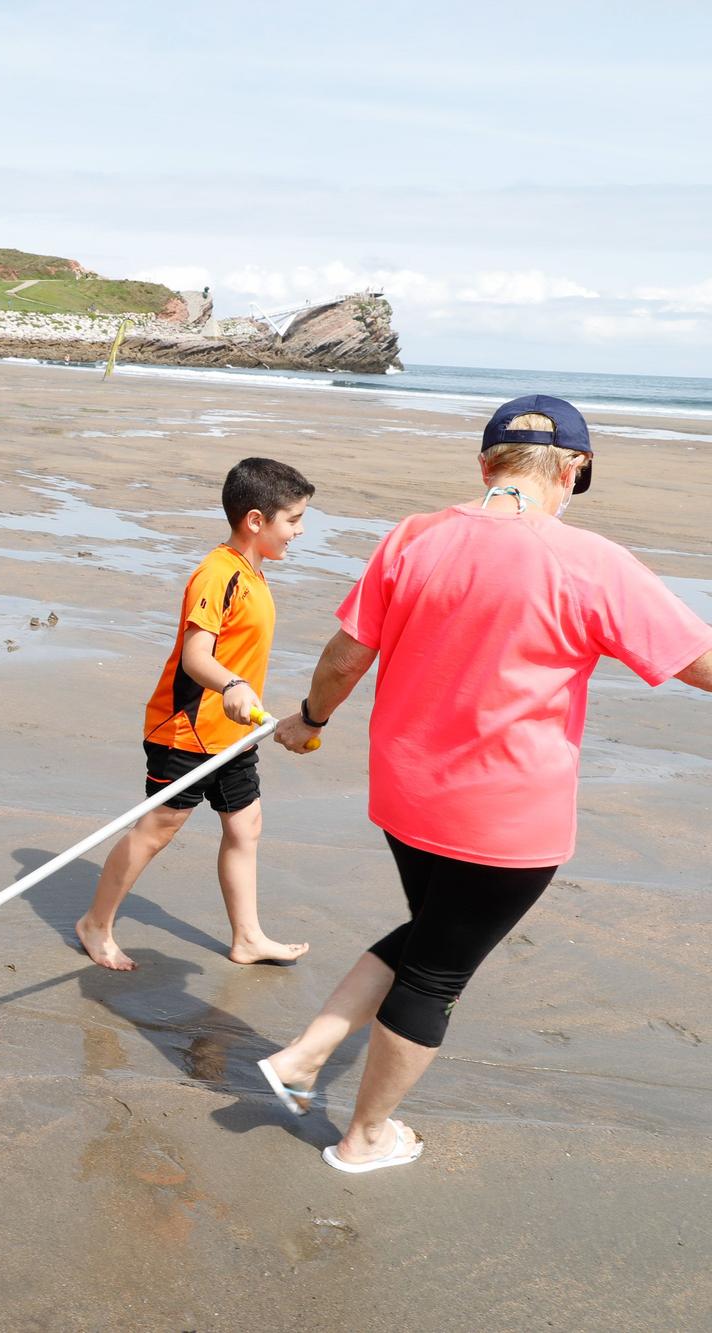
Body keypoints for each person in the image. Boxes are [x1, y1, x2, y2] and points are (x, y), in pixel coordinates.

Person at [257, 396, 712, 1172]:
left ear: (486, 465)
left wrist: (309, 718)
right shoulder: (591, 561)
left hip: (405, 796)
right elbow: (698, 661)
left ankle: (307, 1052)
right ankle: (365, 1136)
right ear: (574, 469)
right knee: (438, 967)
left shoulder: (414, 536)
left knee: (434, 929)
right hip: (505, 817)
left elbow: (343, 657)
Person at [76, 457, 315, 971]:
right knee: (159, 826)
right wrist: (230, 683)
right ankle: (95, 924)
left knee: (245, 826)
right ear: (256, 520)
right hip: (185, 729)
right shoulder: (217, 573)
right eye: (293, 520)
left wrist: (242, 704)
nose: (300, 530)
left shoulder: (254, 573)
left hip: (231, 733)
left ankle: (248, 937)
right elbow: (196, 657)